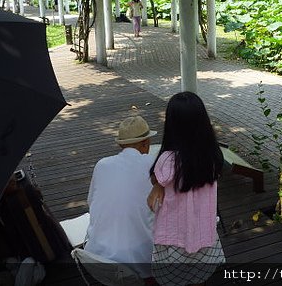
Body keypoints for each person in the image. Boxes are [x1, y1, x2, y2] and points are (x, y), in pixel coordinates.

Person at [147, 92, 225, 286]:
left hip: (174, 237)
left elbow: (158, 179)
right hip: (204, 234)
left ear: (172, 126)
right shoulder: (213, 156)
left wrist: (157, 185)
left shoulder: (168, 160)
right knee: (198, 278)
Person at [85, 116, 157, 281]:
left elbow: (91, 202)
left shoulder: (102, 165)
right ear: (145, 143)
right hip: (137, 265)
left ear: (120, 144)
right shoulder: (152, 164)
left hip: (96, 259)